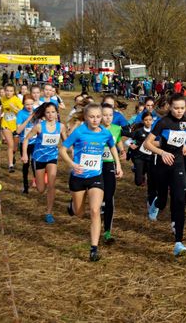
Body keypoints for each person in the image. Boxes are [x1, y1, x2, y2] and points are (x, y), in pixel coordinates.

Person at [60, 103, 123, 261]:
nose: (95, 120)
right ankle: (73, 206)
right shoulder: (79, 131)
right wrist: (72, 164)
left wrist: (118, 164)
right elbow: (62, 149)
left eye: (98, 117)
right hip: (78, 177)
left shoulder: (105, 133)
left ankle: (94, 248)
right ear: (86, 117)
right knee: (80, 213)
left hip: (96, 176)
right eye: (91, 117)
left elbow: (112, 146)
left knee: (95, 210)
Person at [143, 93, 186, 257]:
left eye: (182, 108)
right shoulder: (163, 123)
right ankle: (155, 203)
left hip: (179, 163)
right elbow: (147, 143)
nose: (180, 111)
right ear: (169, 107)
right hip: (163, 164)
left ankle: (178, 242)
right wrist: (162, 153)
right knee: (162, 201)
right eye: (176, 108)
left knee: (179, 199)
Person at [22, 102, 67, 223]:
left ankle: (49, 212)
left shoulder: (61, 127)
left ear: (57, 113)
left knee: (51, 185)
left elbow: (66, 143)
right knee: (41, 189)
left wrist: (74, 152)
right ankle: (40, 177)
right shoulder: (39, 126)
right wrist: (25, 154)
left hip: (52, 157)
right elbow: (26, 139)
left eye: (53, 112)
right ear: (44, 114)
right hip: (39, 158)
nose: (50, 115)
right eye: (48, 112)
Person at [100, 104, 126, 244]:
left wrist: (121, 152)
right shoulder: (94, 129)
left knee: (109, 197)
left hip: (109, 164)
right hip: (95, 167)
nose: (108, 118)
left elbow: (118, 141)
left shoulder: (116, 129)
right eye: (105, 115)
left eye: (110, 115)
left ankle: (107, 231)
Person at [127, 112, 157, 212]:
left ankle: (150, 199)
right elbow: (128, 141)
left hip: (150, 158)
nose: (148, 121)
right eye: (146, 120)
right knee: (138, 182)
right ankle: (139, 173)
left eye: (150, 120)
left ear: (153, 121)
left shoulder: (155, 131)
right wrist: (131, 144)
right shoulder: (139, 131)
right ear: (143, 121)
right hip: (139, 157)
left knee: (151, 181)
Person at [16, 95, 37, 194]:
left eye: (31, 104)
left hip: (35, 142)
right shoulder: (20, 114)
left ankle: (36, 181)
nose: (29, 106)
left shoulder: (37, 111)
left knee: (35, 162)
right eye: (27, 104)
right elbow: (18, 130)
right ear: (23, 104)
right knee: (26, 164)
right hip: (24, 142)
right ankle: (25, 186)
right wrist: (28, 119)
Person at [0, 84, 23, 172]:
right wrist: (0, 113)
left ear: (14, 92)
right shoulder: (2, 99)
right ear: (5, 91)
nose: (8, 92)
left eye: (11, 91)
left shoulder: (16, 100)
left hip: (16, 126)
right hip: (6, 125)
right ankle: (10, 165)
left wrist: (14, 108)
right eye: (7, 90)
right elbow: (3, 109)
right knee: (10, 144)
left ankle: (12, 154)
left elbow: (22, 113)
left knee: (15, 147)